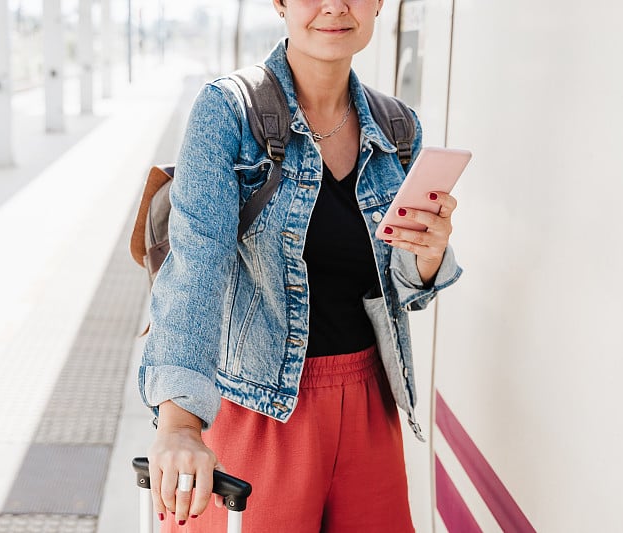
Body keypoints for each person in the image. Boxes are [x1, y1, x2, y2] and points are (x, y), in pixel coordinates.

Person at [138, 0, 462, 531]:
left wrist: (427, 260)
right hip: (258, 409)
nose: (334, 7)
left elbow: (402, 289)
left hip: (369, 406)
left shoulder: (399, 129)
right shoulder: (228, 113)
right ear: (280, 4)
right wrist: (178, 424)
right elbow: (196, 265)